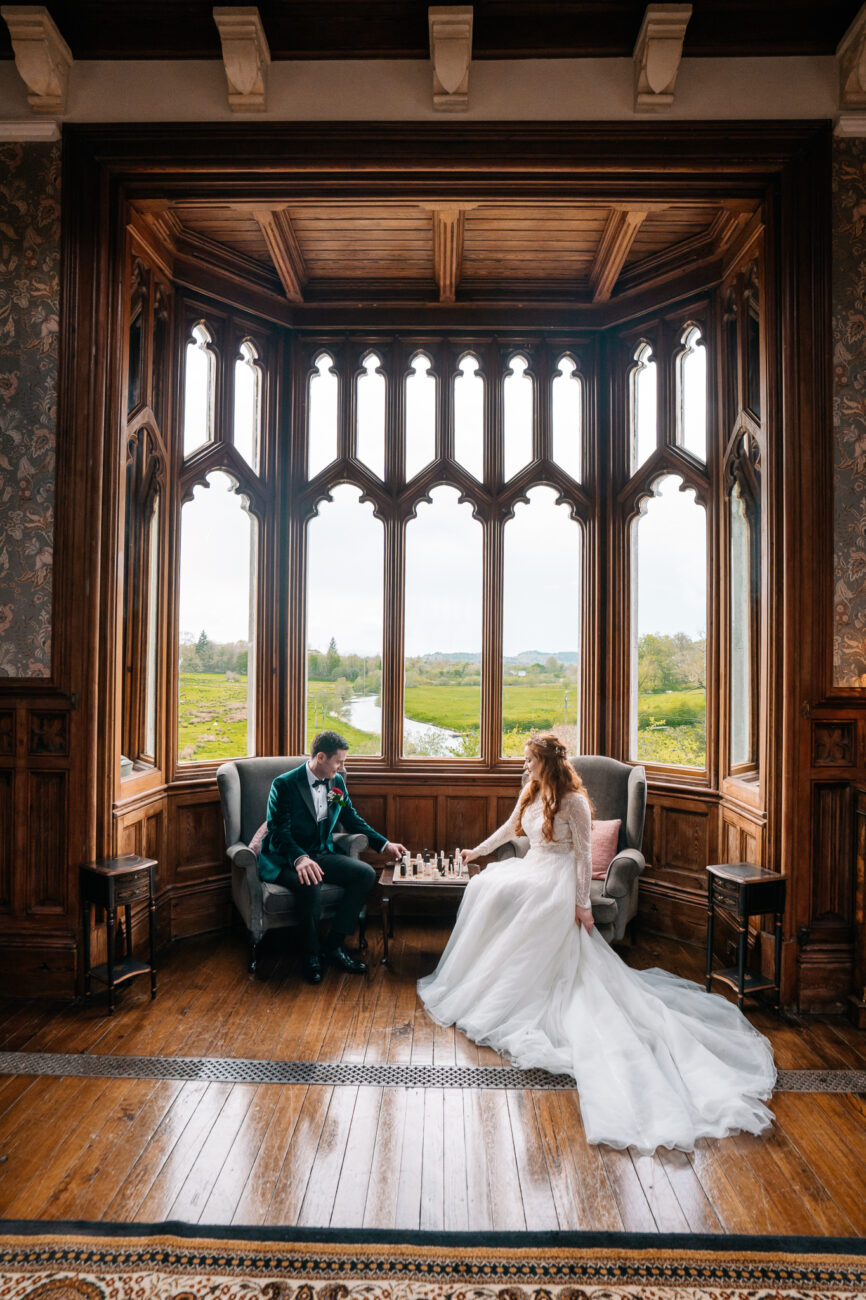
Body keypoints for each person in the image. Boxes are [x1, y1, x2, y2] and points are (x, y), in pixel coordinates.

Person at [417, 733, 776, 1154]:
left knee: (528, 906)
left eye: (530, 760)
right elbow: (508, 829)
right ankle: (492, 974)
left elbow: (585, 857)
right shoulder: (530, 791)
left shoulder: (574, 802)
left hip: (560, 876)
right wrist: (475, 853)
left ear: (547, 764)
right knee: (487, 889)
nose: (525, 766)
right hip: (531, 867)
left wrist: (581, 904)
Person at [258, 731, 407, 984]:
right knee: (310, 881)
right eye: (339, 762)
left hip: (322, 853)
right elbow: (278, 832)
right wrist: (301, 859)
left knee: (365, 874)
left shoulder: (335, 782)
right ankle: (311, 955)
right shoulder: (284, 785)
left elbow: (350, 818)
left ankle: (334, 946)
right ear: (320, 757)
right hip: (285, 858)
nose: (342, 767)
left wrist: (384, 844)